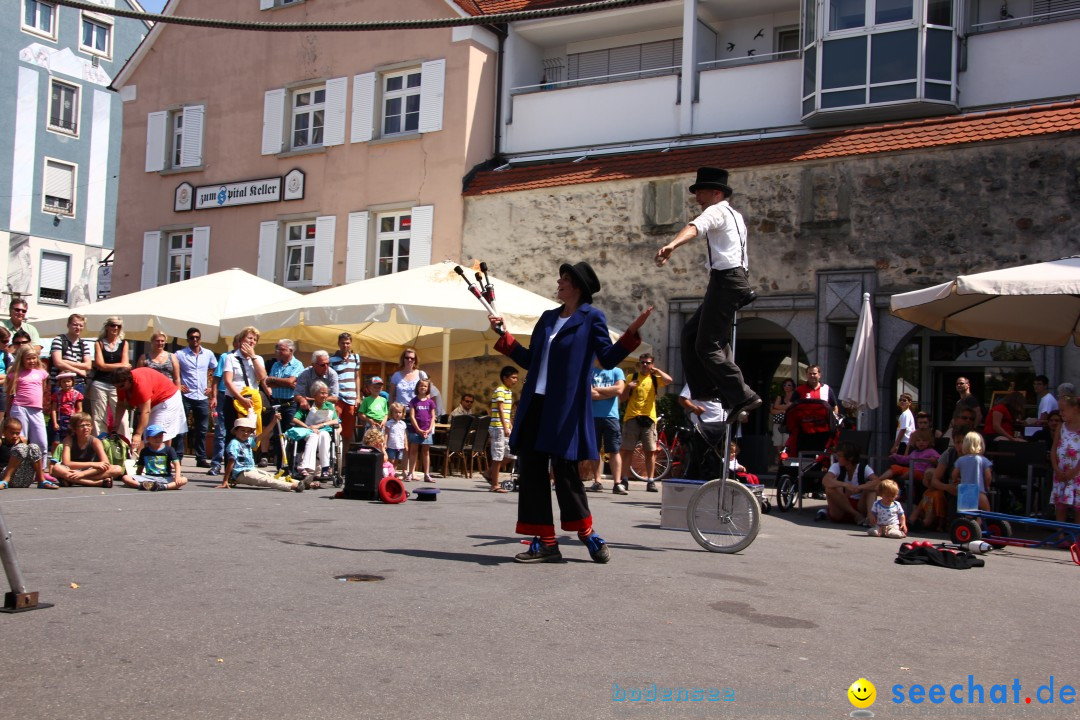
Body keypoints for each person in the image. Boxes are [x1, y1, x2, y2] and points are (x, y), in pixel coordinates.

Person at [488, 260, 650, 564]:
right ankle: (546, 542)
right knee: (533, 471)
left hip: (564, 407)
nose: (558, 283)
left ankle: (587, 532)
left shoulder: (592, 318)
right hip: (536, 402)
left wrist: (630, 334)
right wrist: (504, 336)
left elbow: (609, 358)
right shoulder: (548, 318)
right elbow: (530, 359)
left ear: (577, 286)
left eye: (564, 279)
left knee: (564, 471)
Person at [655, 167, 759, 423]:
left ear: (716, 192)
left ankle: (742, 395)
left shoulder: (716, 210)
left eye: (700, 192)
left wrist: (671, 245)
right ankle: (710, 391)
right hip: (729, 280)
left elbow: (694, 227)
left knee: (706, 344)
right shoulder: (736, 216)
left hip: (727, 280)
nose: (697, 198)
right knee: (691, 334)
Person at [618, 353, 671, 493]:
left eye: (647, 363)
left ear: (652, 364)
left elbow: (669, 380)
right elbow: (622, 399)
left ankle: (650, 480)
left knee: (650, 451)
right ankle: (624, 479)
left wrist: (658, 371)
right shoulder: (632, 377)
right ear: (639, 364)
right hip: (632, 417)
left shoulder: (654, 378)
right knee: (627, 450)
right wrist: (628, 387)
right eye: (642, 362)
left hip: (649, 418)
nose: (645, 365)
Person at [221, 326, 271, 463]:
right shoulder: (231, 358)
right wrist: (240, 398)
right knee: (233, 434)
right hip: (234, 399)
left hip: (251, 401)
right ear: (242, 339)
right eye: (249, 338)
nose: (252, 341)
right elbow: (228, 381)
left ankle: (248, 464)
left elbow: (262, 377)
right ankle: (230, 469)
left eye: (255, 340)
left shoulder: (258, 359)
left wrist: (253, 357)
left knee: (250, 433)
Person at [217, 414, 303, 493]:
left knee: (271, 476)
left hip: (251, 469)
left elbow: (264, 434)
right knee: (266, 480)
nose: (245, 433)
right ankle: (292, 486)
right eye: (242, 430)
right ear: (235, 431)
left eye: (248, 431)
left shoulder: (248, 441)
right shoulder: (234, 443)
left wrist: (274, 421)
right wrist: (225, 480)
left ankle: (300, 483)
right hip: (241, 473)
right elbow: (231, 462)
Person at [114, 367, 188, 455]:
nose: (120, 389)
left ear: (129, 380)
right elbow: (120, 405)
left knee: (157, 434)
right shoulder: (121, 385)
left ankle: (165, 460)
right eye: (117, 387)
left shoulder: (141, 384)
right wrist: (115, 427)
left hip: (167, 399)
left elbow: (145, 411)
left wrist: (137, 434)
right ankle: (148, 461)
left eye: (122, 386)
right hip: (153, 403)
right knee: (148, 436)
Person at [175, 327, 217, 467]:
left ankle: (201, 458)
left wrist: (211, 387)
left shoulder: (208, 354)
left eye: (197, 337)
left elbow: (216, 370)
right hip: (186, 395)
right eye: (192, 337)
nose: (194, 340)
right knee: (181, 427)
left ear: (200, 338)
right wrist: (178, 385)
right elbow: (172, 370)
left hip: (202, 396)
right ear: (187, 339)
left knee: (202, 429)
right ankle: (178, 456)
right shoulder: (180, 354)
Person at [50, 412, 125, 488]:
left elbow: (106, 463)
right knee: (56, 468)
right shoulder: (68, 440)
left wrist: (83, 474)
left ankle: (71, 480)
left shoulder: (95, 441)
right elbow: (66, 463)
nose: (86, 428)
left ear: (92, 427)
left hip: (90, 471)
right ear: (74, 429)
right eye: (82, 426)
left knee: (117, 469)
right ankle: (95, 483)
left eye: (88, 425)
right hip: (72, 469)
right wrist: (92, 464)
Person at [886, 429, 939, 528]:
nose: (921, 443)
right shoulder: (914, 452)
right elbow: (906, 459)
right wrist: (895, 456)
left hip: (921, 473)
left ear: (929, 441)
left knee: (909, 472)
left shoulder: (931, 451)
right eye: (918, 441)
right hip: (912, 471)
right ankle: (881, 480)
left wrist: (933, 460)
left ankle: (899, 482)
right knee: (896, 468)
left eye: (924, 441)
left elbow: (939, 459)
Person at [586, 358, 625, 493]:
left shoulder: (617, 371)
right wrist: (610, 392)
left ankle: (617, 483)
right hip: (592, 416)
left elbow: (620, 390)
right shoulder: (590, 371)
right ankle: (597, 482)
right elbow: (590, 394)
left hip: (611, 416)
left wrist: (599, 389)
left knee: (614, 450)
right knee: (594, 450)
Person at [6, 344, 49, 463]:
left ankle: (41, 470)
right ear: (22, 359)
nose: (32, 361)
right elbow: (10, 394)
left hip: (36, 409)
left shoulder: (41, 372)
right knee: (20, 441)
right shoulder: (16, 373)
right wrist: (8, 413)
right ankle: (18, 468)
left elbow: (43, 389)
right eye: (28, 358)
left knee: (41, 441)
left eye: (34, 358)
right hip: (19, 408)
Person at [291, 380, 339, 484]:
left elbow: (336, 420)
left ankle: (325, 468)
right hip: (309, 431)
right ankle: (306, 468)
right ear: (314, 394)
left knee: (324, 435)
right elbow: (295, 419)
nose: (324, 395)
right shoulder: (308, 405)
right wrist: (308, 427)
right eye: (322, 393)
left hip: (324, 430)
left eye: (326, 393)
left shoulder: (330, 406)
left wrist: (320, 425)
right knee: (313, 436)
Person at [90, 317, 131, 438]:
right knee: (99, 418)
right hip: (100, 383)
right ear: (107, 327)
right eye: (113, 325)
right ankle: (100, 445)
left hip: (118, 385)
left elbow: (125, 366)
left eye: (118, 326)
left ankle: (125, 445)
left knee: (122, 418)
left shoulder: (124, 343)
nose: (116, 328)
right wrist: (120, 365)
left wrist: (107, 366)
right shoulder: (99, 343)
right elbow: (100, 365)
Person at [265, 338, 303, 468]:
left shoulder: (297, 364)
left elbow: (291, 381)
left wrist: (276, 380)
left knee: (289, 434)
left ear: (291, 350)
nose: (278, 352)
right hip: (276, 403)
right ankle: (279, 465)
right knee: (277, 435)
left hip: (290, 404)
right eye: (277, 349)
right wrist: (284, 381)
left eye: (282, 349)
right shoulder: (276, 364)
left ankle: (290, 466)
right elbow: (268, 382)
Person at [822, 441, 880, 526]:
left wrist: (860, 487)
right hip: (841, 508)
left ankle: (870, 518)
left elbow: (878, 482)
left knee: (871, 487)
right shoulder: (836, 466)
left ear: (850, 458)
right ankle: (856, 515)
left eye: (840, 456)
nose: (837, 458)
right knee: (831, 487)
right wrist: (845, 485)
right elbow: (825, 481)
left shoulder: (863, 468)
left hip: (860, 505)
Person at [677, 384, 727, 479]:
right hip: (704, 426)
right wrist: (694, 408)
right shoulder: (696, 379)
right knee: (703, 458)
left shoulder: (720, 380)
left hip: (721, 426)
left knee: (719, 459)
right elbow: (682, 399)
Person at [208, 336, 241, 476]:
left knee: (240, 430)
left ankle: (237, 464)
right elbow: (216, 378)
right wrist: (214, 396)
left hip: (242, 396)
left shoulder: (252, 359)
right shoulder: (225, 356)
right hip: (223, 394)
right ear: (234, 343)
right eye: (239, 342)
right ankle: (216, 464)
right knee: (221, 431)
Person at [119, 424, 188, 491]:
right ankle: (142, 486)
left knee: (184, 480)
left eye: (160, 436)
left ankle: (163, 486)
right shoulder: (145, 451)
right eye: (155, 436)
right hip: (148, 478)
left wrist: (177, 476)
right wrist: (137, 477)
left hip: (165, 477)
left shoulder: (169, 450)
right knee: (126, 477)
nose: (158, 439)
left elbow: (176, 464)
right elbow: (140, 467)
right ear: (148, 438)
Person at [484, 366, 518, 491]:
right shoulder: (500, 390)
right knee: (498, 455)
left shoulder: (508, 391)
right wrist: (505, 426)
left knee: (511, 454)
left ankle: (489, 473)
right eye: (513, 377)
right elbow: (501, 409)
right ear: (505, 378)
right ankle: (495, 485)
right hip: (498, 427)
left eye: (516, 378)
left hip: (504, 426)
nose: (515, 380)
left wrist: (510, 425)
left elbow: (507, 413)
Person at [1050, 394, 1079, 523]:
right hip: (1061, 472)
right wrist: (1056, 469)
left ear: (1075, 409)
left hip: (1077, 474)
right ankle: (1060, 535)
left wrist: (1074, 472)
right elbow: (1054, 449)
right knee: (1060, 505)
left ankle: (1078, 539)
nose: (1060, 413)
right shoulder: (1061, 427)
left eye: (1063, 410)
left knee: (1078, 507)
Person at [329, 332, 361, 446]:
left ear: (351, 344)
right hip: (338, 398)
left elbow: (357, 377)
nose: (345, 345)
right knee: (335, 428)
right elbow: (330, 379)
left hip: (351, 398)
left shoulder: (356, 358)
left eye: (347, 343)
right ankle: (334, 460)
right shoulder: (331, 359)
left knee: (347, 433)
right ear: (338, 343)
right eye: (343, 343)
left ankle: (344, 462)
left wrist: (358, 396)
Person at [0, 416, 49, 489]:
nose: (15, 436)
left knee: (34, 447)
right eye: (12, 433)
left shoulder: (22, 441)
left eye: (17, 433)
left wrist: (20, 444)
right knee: (21, 447)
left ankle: (41, 480)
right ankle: (5, 480)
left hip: (23, 479)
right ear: (4, 432)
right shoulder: (1, 442)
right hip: (5, 477)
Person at [49, 313, 92, 395]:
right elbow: (58, 363)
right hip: (60, 383)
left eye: (81, 326)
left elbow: (88, 365)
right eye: (75, 325)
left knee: (78, 408)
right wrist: (78, 370)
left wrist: (65, 361)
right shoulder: (59, 340)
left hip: (78, 384)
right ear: (68, 325)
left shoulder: (84, 344)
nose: (78, 328)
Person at [952, 431, 993, 512]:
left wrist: (956, 481)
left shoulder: (960, 460)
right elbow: (988, 477)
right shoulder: (983, 460)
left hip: (965, 492)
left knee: (967, 517)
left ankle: (971, 524)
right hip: (979, 492)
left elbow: (954, 475)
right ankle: (978, 523)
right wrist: (987, 486)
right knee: (986, 512)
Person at [408, 378, 437, 483]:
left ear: (428, 388)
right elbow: (412, 416)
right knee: (413, 450)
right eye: (421, 386)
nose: (423, 388)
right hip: (416, 430)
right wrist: (418, 429)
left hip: (427, 431)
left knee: (425, 451)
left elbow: (433, 417)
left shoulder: (430, 402)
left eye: (425, 386)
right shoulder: (413, 401)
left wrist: (429, 429)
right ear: (417, 387)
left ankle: (427, 474)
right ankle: (411, 472)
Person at [50, 372, 83, 450]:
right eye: (64, 382)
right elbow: (54, 409)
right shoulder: (57, 394)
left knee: (70, 440)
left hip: (71, 419)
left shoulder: (76, 394)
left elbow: (80, 409)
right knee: (56, 442)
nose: (66, 383)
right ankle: (54, 457)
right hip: (59, 419)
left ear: (72, 382)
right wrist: (54, 422)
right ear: (60, 383)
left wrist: (76, 421)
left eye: (68, 381)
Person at [771, 378, 796, 463]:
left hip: (789, 423)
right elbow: (773, 409)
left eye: (789, 385)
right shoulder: (780, 397)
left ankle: (785, 458)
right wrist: (783, 410)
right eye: (785, 385)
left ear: (793, 387)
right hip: (779, 422)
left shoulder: (795, 397)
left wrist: (780, 407)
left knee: (786, 441)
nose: (786, 387)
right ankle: (779, 457)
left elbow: (792, 407)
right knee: (778, 441)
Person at [384, 402, 409, 477]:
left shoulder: (403, 424)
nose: (398, 414)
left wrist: (406, 444)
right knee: (391, 460)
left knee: (397, 461)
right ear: (391, 413)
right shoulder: (389, 423)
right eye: (396, 412)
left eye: (400, 412)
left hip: (399, 445)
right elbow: (386, 434)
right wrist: (385, 443)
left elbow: (404, 434)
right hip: (391, 445)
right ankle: (389, 474)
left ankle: (393, 474)